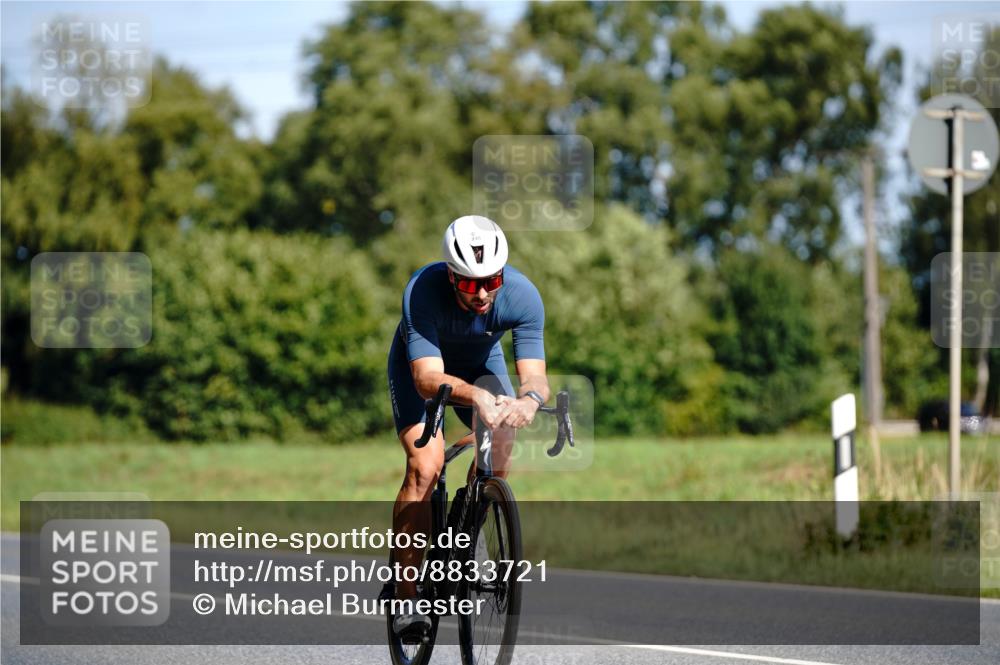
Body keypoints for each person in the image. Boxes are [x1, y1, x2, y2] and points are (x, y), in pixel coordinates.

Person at [386, 215, 549, 638]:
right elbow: (425, 380)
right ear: (450, 274)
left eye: (490, 282)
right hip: (423, 370)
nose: (480, 294)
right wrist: (475, 396)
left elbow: (534, 377)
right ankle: (406, 597)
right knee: (425, 467)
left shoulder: (522, 295)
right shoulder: (423, 290)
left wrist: (529, 401)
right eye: (469, 283)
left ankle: (471, 525)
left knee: (501, 438)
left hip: (480, 363)